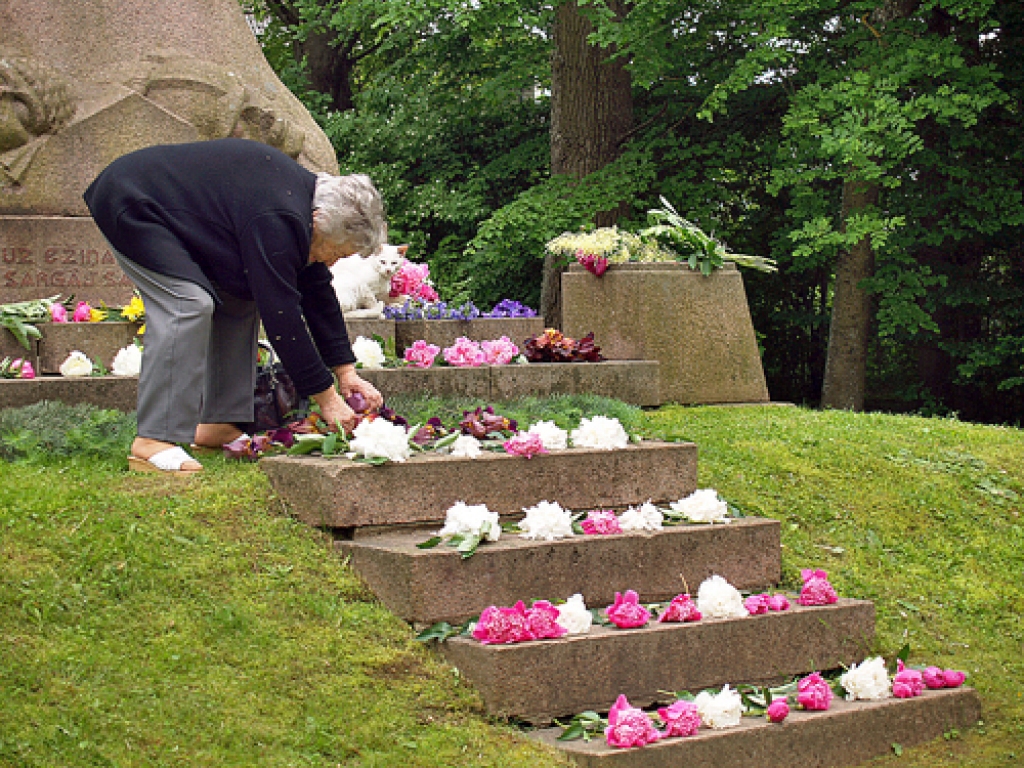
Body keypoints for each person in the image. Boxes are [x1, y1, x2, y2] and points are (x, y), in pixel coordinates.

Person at [83, 138, 385, 474]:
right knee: (187, 304)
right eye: (337, 253)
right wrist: (327, 400)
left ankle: (219, 423)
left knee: (238, 299)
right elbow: (282, 317)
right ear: (318, 220)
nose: (331, 263)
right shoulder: (279, 216)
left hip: (178, 214)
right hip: (133, 200)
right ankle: (153, 440)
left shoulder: (305, 212)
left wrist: (345, 372)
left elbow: (316, 290)